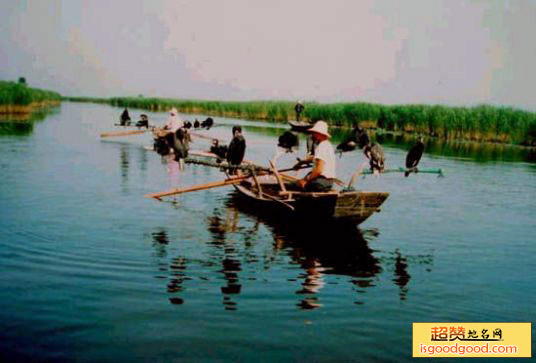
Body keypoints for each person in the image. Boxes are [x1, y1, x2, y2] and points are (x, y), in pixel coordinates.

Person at [296, 121, 336, 192]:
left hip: (320, 182)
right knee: (298, 183)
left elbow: (319, 170)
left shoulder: (322, 146)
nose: (312, 135)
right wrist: (301, 162)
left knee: (295, 185)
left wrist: (306, 180)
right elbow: (315, 158)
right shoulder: (327, 145)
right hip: (328, 182)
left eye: (314, 133)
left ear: (319, 134)